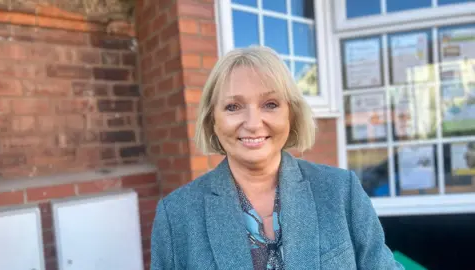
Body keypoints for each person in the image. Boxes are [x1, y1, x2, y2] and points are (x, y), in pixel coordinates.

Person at [150, 46, 404, 270]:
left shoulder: (340, 191)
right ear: (212, 120)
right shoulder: (176, 216)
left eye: (270, 104)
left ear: (290, 114)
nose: (252, 123)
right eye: (233, 107)